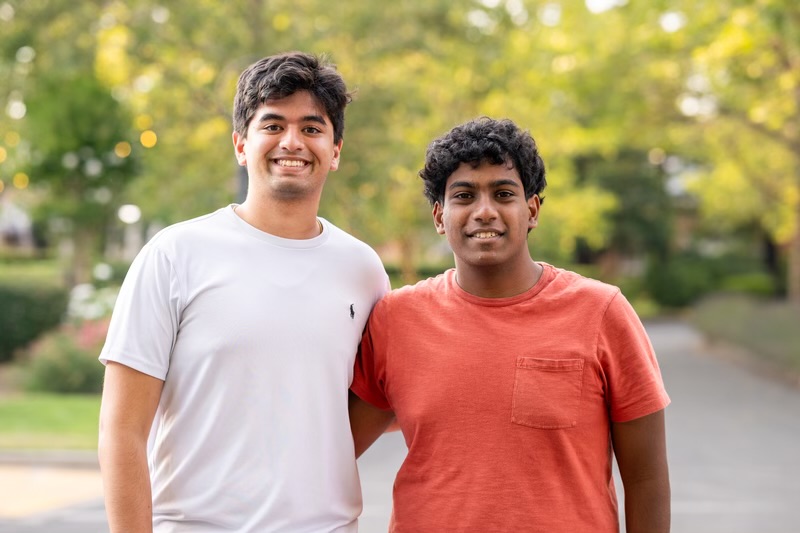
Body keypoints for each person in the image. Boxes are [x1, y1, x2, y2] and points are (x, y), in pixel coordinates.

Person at [98, 51, 389, 533]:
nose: (292, 142)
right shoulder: (175, 254)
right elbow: (122, 431)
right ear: (240, 144)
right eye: (272, 125)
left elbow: (380, 396)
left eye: (312, 128)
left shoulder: (363, 269)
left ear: (335, 151)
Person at [349, 117, 671, 533]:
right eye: (464, 196)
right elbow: (332, 451)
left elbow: (646, 478)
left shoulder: (601, 311)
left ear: (532, 209)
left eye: (503, 194)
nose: (485, 211)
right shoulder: (397, 319)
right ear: (439, 216)